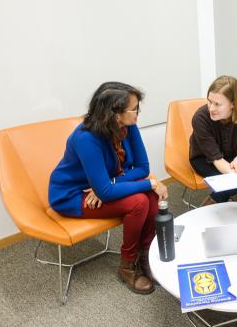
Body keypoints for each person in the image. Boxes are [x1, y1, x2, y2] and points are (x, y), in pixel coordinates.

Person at [48, 81, 168, 295]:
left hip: (102, 185)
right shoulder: (85, 138)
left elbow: (142, 167)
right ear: (114, 114)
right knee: (139, 201)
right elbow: (105, 191)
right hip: (73, 194)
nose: (138, 113)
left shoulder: (128, 126)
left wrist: (108, 184)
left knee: (149, 196)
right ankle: (127, 265)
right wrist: (151, 182)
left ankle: (146, 256)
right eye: (134, 109)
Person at [189, 75, 237, 206]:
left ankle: (203, 215)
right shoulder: (200, 118)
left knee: (230, 183)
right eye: (209, 101)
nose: (211, 108)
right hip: (203, 159)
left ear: (233, 104)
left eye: (217, 104)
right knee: (230, 184)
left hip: (231, 157)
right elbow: (216, 158)